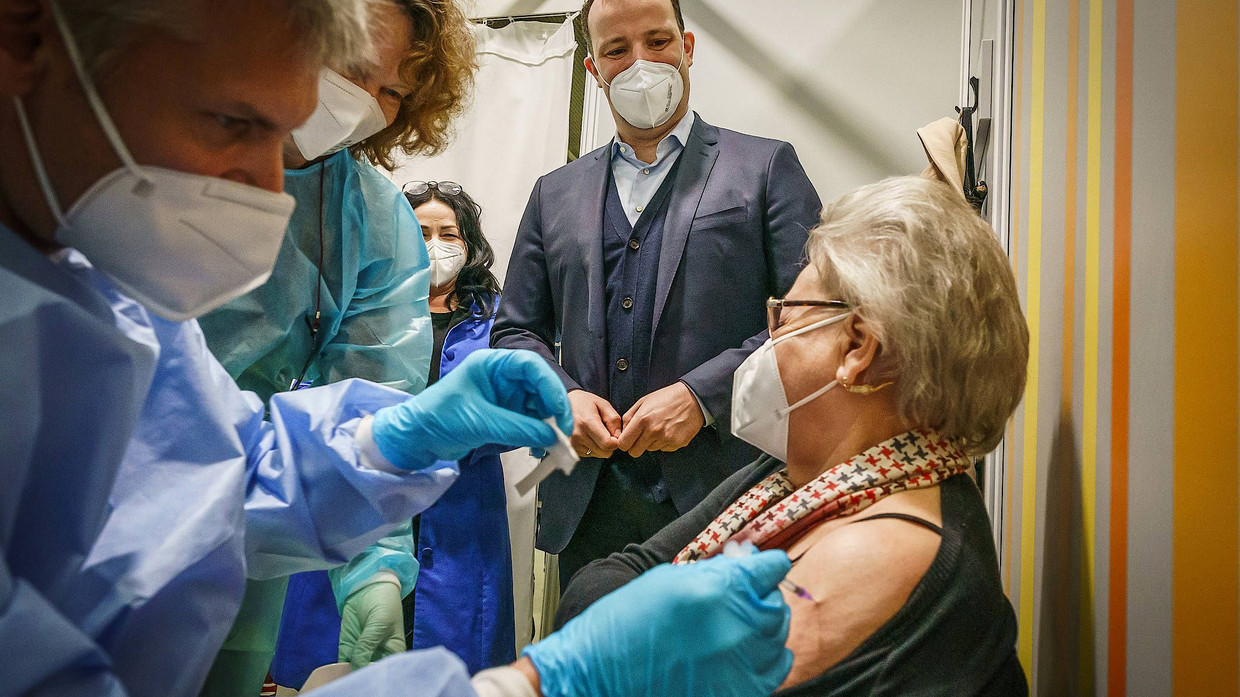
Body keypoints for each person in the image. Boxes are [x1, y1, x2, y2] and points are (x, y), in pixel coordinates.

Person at [0, 1, 799, 697]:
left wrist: (392, 444)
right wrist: (536, 682)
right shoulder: (561, 192)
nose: (273, 189)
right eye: (233, 123)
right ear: (27, 38)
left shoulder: (91, 287)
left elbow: (208, 478)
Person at [555, 177, 1032, 695]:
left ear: (859, 347)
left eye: (785, 319)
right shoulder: (797, 475)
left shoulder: (877, 552)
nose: (769, 342)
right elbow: (613, 577)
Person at [193, 1, 475, 691]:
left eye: (392, 91)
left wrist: (375, 567)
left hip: (250, 527)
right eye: (350, 68)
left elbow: (371, 404)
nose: (361, 105)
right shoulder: (173, 149)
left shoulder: (371, 219)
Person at [492, 0, 823, 585]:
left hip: (726, 500)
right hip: (587, 508)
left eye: (658, 41)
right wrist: (560, 397)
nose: (640, 62)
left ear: (687, 48)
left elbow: (814, 319)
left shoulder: (765, 168)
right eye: (617, 50)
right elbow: (515, 330)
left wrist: (703, 397)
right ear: (594, 69)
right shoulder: (554, 193)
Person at [401, 180, 514, 673]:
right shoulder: (368, 307)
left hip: (463, 513)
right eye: (421, 232)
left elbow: (524, 408)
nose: (435, 245)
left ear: (469, 245)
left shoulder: (500, 319)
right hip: (376, 504)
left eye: (448, 234)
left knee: (454, 666)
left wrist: (462, 431)